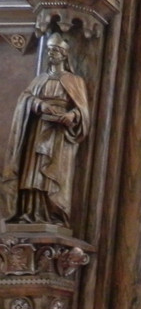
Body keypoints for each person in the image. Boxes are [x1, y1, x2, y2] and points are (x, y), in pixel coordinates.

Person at [5, 32, 91, 226]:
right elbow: (24, 99)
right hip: (37, 129)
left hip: (59, 135)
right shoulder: (39, 79)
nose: (51, 54)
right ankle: (29, 212)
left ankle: (53, 214)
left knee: (52, 173)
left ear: (64, 55)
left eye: (55, 50)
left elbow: (82, 110)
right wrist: (38, 105)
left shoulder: (74, 81)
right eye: (49, 50)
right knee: (33, 172)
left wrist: (72, 116)